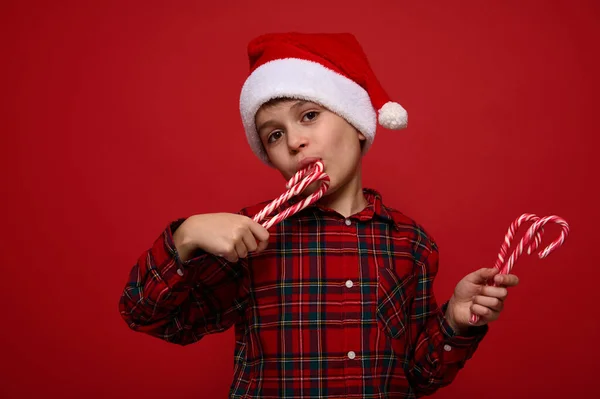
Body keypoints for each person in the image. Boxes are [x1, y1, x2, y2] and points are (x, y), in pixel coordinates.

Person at [118, 32, 519, 398]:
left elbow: (420, 375)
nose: (294, 141)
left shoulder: (410, 243)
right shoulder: (251, 237)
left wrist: (455, 320)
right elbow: (151, 316)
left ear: (358, 123)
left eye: (309, 115)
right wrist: (186, 237)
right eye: (273, 135)